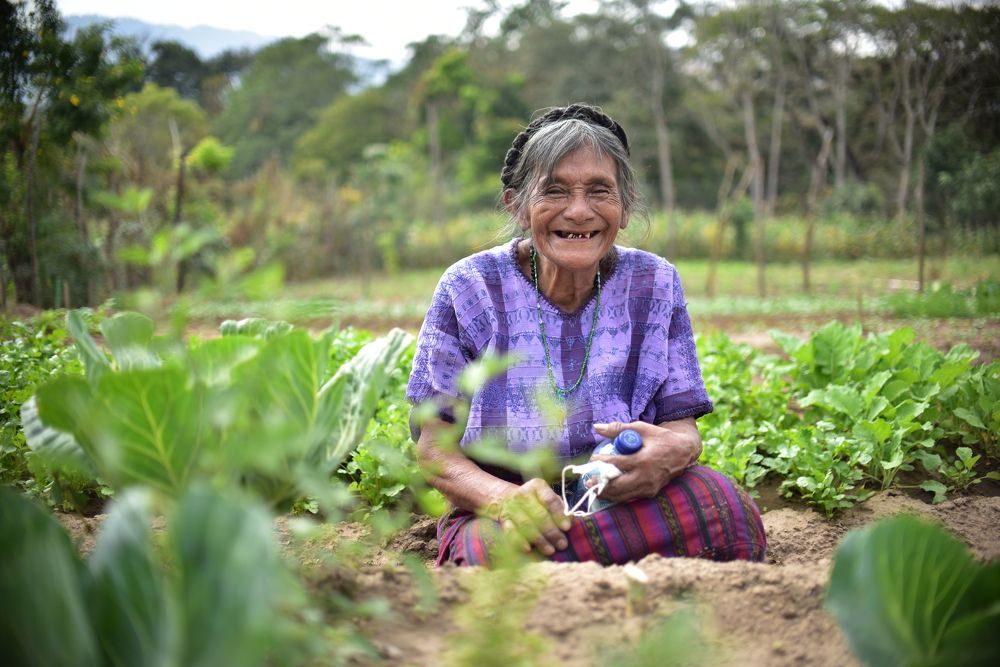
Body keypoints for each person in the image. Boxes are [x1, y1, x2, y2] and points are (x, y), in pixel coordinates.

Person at [406, 103, 766, 566]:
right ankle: (589, 559)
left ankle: (568, 562)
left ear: (625, 206)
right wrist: (503, 499)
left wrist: (673, 452)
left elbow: (681, 428)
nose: (579, 211)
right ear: (517, 205)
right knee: (488, 553)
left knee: (723, 509)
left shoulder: (655, 282)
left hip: (619, 494)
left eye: (600, 191)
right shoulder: (469, 287)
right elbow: (434, 451)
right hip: (508, 504)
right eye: (554, 191)